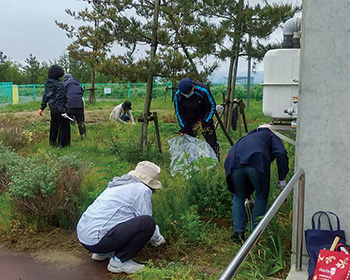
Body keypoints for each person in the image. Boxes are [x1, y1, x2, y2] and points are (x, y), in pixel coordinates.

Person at [76, 161, 166, 274]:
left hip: (84, 237)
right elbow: (145, 218)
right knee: (148, 223)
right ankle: (119, 262)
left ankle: (102, 253)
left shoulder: (120, 184)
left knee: (125, 218)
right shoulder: (142, 189)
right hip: (97, 240)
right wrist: (158, 239)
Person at [224, 124, 289, 242]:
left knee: (238, 195)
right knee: (261, 196)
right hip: (256, 161)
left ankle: (238, 233)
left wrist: (248, 194)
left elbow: (243, 165)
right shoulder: (270, 135)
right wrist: (282, 178)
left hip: (232, 164)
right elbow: (281, 154)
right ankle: (255, 235)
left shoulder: (246, 137)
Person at [174, 78, 220, 159]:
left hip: (204, 119)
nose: (188, 94)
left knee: (212, 142)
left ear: (193, 87)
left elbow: (212, 106)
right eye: (186, 93)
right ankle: (193, 163)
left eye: (189, 92)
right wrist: (184, 126)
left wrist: (205, 121)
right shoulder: (178, 95)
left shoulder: (203, 90)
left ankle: (215, 160)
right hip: (189, 120)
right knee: (190, 144)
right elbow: (179, 112)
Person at [38, 65, 70, 147]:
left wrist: (42, 107)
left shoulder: (48, 84)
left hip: (52, 108)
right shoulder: (59, 84)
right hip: (60, 109)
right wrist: (63, 111)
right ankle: (63, 145)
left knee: (54, 126)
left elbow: (45, 96)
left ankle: (52, 143)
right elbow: (60, 98)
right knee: (64, 128)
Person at [63, 74, 86, 139]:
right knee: (81, 122)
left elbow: (63, 95)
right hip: (79, 105)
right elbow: (81, 93)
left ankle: (67, 137)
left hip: (69, 105)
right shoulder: (77, 84)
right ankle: (83, 136)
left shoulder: (65, 84)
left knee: (67, 122)